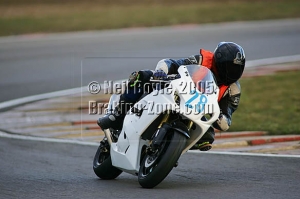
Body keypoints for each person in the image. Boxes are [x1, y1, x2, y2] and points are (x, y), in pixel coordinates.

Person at [97, 42, 246, 151]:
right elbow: (172, 63)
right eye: (228, 67)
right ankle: (117, 115)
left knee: (207, 137)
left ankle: (169, 148)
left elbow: (227, 118)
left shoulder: (233, 90)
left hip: (195, 112)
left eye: (236, 69)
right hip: (177, 93)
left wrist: (220, 118)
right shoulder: (201, 61)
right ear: (217, 61)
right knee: (142, 76)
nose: (231, 72)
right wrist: (162, 71)